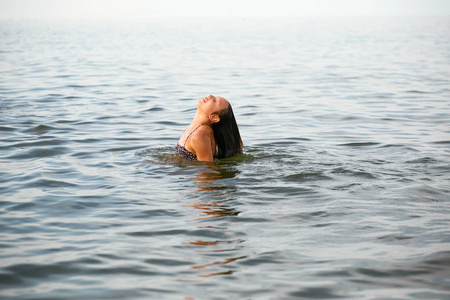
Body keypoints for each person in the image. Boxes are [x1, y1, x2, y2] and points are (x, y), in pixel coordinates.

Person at [177, 95, 242, 162]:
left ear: (214, 117)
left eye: (214, 101)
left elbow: (207, 168)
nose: (210, 96)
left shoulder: (201, 134)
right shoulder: (195, 128)